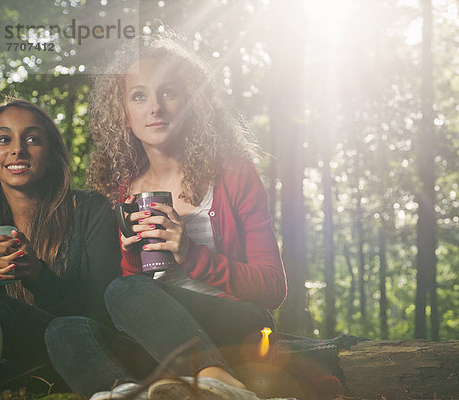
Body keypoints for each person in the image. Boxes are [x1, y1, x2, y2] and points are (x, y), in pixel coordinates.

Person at [45, 31, 287, 400]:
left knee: (124, 290)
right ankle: (121, 394)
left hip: (238, 323)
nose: (154, 107)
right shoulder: (124, 190)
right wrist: (130, 254)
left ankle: (221, 384)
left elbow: (273, 289)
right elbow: (134, 298)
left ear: (192, 102)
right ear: (122, 113)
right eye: (139, 96)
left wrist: (190, 254)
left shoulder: (233, 174)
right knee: (63, 329)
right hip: (164, 338)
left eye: (168, 92)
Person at [0, 98, 121, 393]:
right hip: (11, 351)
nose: (17, 149)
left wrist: (38, 276)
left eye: (33, 139)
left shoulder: (90, 211)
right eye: (3, 139)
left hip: (79, 346)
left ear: (50, 154)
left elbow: (103, 314)